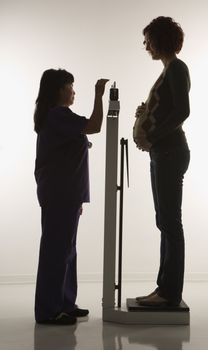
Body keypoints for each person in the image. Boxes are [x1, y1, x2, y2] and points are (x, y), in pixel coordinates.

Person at [33, 68, 108, 325]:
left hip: (66, 194)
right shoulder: (57, 115)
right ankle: (48, 312)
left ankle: (65, 303)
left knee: (67, 250)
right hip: (59, 193)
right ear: (58, 90)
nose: (73, 90)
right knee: (56, 250)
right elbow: (95, 126)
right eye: (70, 86)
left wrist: (76, 199)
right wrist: (99, 95)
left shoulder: (59, 116)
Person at [133, 16, 190, 307]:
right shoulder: (168, 70)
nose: (146, 46)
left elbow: (182, 111)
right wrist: (147, 113)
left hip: (170, 152)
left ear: (161, 39)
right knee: (164, 221)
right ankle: (163, 288)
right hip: (163, 152)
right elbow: (168, 108)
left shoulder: (177, 68)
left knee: (170, 222)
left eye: (149, 40)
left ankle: (170, 293)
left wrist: (152, 135)